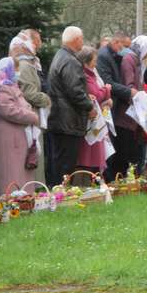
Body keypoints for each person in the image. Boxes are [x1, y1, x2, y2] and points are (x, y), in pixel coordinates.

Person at [47, 26, 95, 187]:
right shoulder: (70, 61)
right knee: (65, 164)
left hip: (60, 118)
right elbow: (75, 91)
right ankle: (61, 194)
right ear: (76, 40)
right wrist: (89, 106)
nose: (83, 41)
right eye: (81, 38)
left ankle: (58, 192)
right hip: (67, 120)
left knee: (60, 161)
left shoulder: (61, 56)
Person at [0, 57, 39, 199]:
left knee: (19, 169)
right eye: (16, 69)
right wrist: (31, 116)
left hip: (18, 135)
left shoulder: (12, 85)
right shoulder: (2, 87)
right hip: (9, 138)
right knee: (11, 169)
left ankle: (24, 198)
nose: (18, 72)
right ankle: (10, 198)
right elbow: (9, 110)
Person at [9, 29, 51, 183]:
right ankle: (33, 187)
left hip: (33, 116)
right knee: (33, 153)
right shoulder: (25, 65)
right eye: (36, 41)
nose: (38, 44)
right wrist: (47, 99)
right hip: (30, 117)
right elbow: (29, 93)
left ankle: (35, 186)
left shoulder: (30, 64)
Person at [98, 32, 139, 179]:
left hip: (114, 106)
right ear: (116, 42)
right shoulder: (104, 56)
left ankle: (116, 177)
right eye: (124, 46)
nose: (126, 50)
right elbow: (108, 81)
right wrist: (128, 92)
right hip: (108, 106)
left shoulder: (114, 55)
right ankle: (110, 178)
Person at [77, 46, 113, 173]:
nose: (95, 64)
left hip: (97, 119)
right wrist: (107, 89)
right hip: (90, 122)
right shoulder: (85, 75)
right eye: (94, 61)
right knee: (88, 156)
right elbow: (96, 95)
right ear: (86, 62)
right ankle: (89, 178)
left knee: (95, 154)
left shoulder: (91, 74)